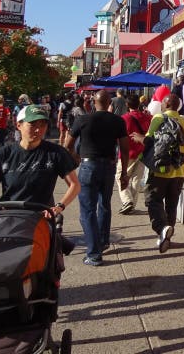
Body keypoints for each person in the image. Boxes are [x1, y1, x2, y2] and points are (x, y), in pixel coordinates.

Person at [0, 104, 80, 219]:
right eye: (32, 124)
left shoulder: (56, 153)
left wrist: (59, 206)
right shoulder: (3, 153)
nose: (38, 129)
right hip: (9, 217)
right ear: (19, 125)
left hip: (41, 218)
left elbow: (75, 184)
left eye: (43, 124)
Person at [65, 90, 129, 267]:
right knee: (104, 205)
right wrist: (124, 172)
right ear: (110, 103)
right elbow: (124, 148)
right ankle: (103, 241)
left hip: (88, 166)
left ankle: (94, 253)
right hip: (108, 166)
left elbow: (67, 145)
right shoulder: (117, 121)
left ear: (94, 102)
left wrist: (73, 160)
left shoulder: (83, 120)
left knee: (87, 210)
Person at [130, 94, 184, 254]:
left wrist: (139, 138)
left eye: (162, 102)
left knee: (153, 200)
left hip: (160, 170)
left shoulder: (158, 118)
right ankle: (167, 236)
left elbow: (150, 142)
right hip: (179, 170)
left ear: (165, 104)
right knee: (171, 203)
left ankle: (162, 228)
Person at [117, 94, 152, 215]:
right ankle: (131, 203)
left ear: (127, 105)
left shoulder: (124, 118)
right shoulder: (147, 117)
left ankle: (127, 201)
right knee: (136, 179)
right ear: (139, 104)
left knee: (120, 176)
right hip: (143, 151)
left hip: (128, 152)